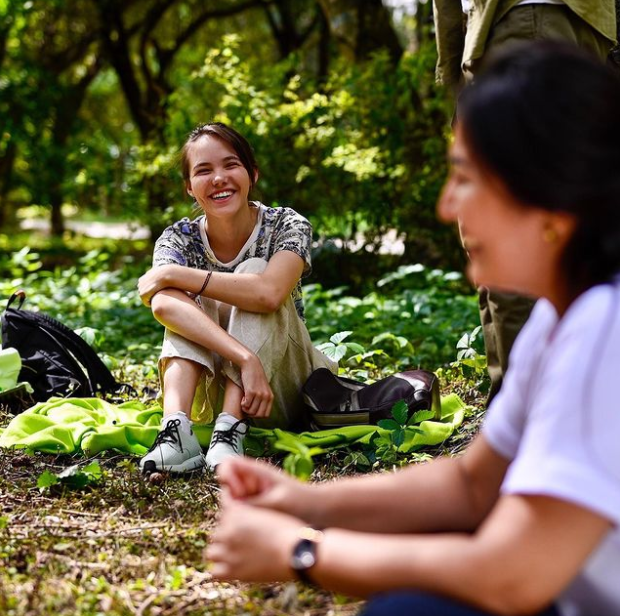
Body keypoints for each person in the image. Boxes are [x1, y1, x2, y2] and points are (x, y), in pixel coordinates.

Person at [207, 43, 620, 616]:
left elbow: (511, 574)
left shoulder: (606, 328)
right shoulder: (563, 315)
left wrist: (302, 552)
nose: (448, 207)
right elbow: (472, 488)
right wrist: (303, 500)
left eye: (465, 178)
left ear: (550, 199)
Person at [433, 0, 617, 401]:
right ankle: (528, 407)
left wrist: (455, 75)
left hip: (518, 23)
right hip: (587, 28)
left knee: (506, 231)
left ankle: (534, 413)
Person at [137, 122, 336, 474]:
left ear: (252, 174)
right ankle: (176, 430)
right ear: (189, 188)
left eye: (231, 165)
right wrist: (244, 358)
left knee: (253, 271)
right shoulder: (179, 238)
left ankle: (231, 430)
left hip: (283, 384)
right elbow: (163, 304)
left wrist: (173, 275)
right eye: (203, 170)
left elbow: (269, 293)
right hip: (211, 388)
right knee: (180, 302)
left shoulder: (286, 225)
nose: (218, 178)